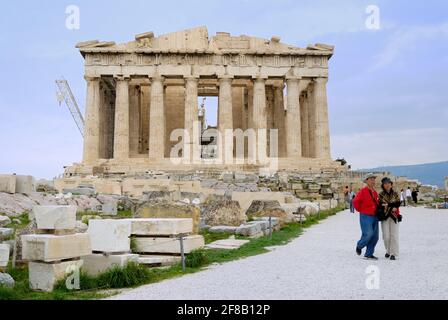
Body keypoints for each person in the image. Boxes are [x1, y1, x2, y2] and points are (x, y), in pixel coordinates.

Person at [353, 173, 380, 260]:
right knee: (368, 234)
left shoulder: (375, 192)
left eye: (373, 179)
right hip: (366, 215)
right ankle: (359, 245)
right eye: (371, 179)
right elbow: (355, 202)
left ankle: (369, 254)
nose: (373, 181)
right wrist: (361, 210)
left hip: (375, 216)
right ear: (366, 181)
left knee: (375, 236)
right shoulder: (362, 191)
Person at [379, 177, 402, 260]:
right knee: (386, 236)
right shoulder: (381, 194)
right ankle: (388, 251)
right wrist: (391, 206)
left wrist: (388, 205)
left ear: (391, 184)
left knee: (394, 235)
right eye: (385, 183)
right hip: (384, 217)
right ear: (383, 185)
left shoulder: (395, 194)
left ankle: (393, 253)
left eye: (389, 183)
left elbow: (398, 203)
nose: (387, 185)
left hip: (394, 216)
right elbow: (381, 205)